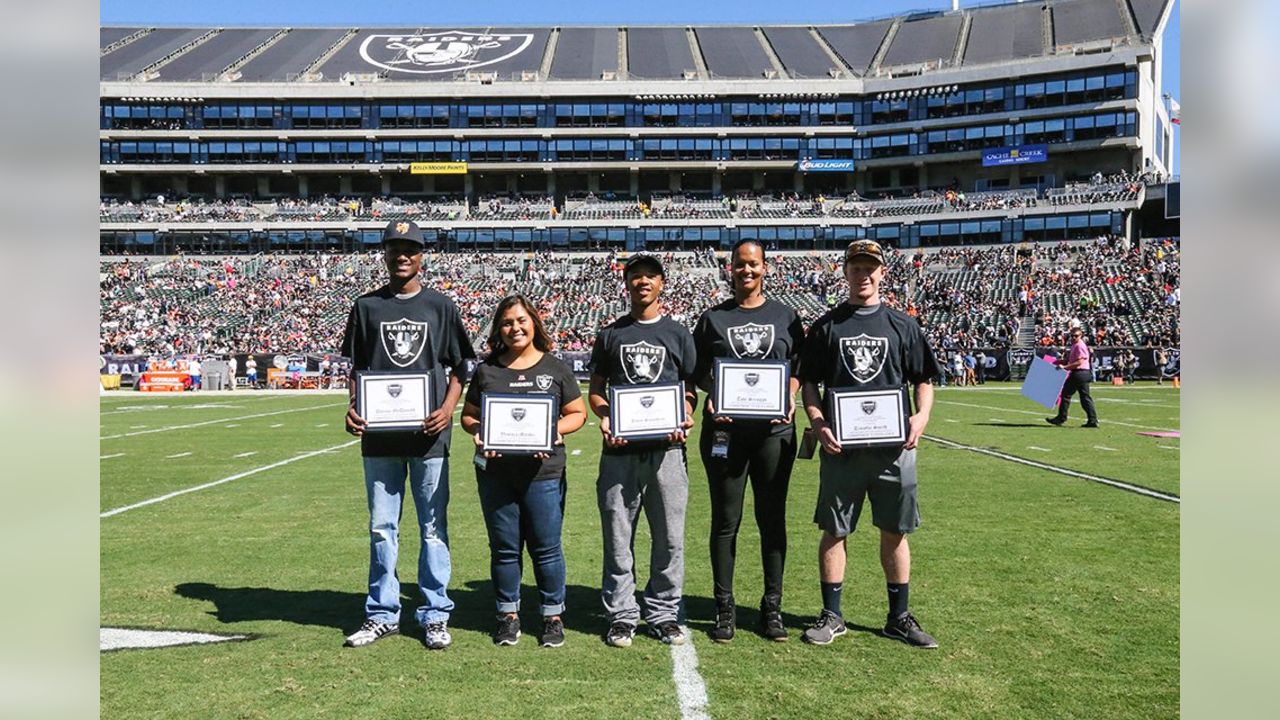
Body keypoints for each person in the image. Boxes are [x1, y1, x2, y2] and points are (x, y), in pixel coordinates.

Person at [796, 239, 941, 649]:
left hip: (892, 449)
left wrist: (922, 416)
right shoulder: (827, 326)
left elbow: (923, 379)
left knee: (895, 530)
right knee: (835, 530)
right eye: (856, 267)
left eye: (870, 267)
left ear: (882, 272)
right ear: (845, 272)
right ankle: (832, 615)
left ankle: (899, 617)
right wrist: (818, 421)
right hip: (842, 448)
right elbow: (809, 385)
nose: (863, 274)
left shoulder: (903, 324)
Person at [341, 220, 476, 650]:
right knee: (382, 528)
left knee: (433, 527)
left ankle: (435, 612)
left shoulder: (441, 307)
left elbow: (462, 367)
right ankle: (382, 612)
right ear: (384, 253)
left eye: (411, 249)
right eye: (395, 248)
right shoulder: (365, 307)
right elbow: (358, 369)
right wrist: (353, 406)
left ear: (422, 256)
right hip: (379, 438)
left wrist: (448, 409)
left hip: (428, 436)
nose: (403, 255)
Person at [691, 240, 805, 643]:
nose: (747, 271)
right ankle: (724, 606)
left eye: (753, 264)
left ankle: (771, 606)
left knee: (771, 520)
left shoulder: (786, 316)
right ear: (730, 269)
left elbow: (799, 368)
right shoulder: (712, 319)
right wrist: (715, 394)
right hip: (725, 433)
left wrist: (788, 394)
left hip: (774, 433)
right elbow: (696, 371)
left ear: (765, 268)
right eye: (740, 265)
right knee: (726, 521)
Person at [460, 295, 587, 648]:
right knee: (504, 548)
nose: (514, 328)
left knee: (547, 548)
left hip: (543, 473)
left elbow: (578, 413)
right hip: (496, 472)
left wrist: (554, 430)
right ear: (498, 329)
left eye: (520, 320)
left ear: (534, 322)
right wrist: (478, 431)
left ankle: (551, 615)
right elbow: (468, 417)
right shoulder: (487, 370)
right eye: (506, 323)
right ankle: (508, 615)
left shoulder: (556, 368)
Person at [588, 254, 697, 648]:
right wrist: (604, 417)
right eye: (635, 276)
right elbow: (597, 389)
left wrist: (685, 411)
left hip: (667, 450)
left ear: (662, 283)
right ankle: (621, 613)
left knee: (669, 536)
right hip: (619, 451)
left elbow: (688, 388)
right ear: (626, 283)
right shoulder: (611, 334)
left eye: (650, 276)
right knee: (618, 536)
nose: (643, 282)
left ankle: (664, 611)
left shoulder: (679, 333)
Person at [1046, 326, 1099, 428]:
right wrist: (1059, 361)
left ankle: (1061, 418)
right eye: (1072, 336)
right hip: (1081, 374)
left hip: (1079, 373)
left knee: (1067, 395)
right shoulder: (1075, 345)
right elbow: (1072, 360)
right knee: (1084, 397)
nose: (1074, 337)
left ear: (1081, 335)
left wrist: (1064, 367)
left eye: (1076, 336)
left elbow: (1079, 362)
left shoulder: (1079, 345)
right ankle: (1092, 420)